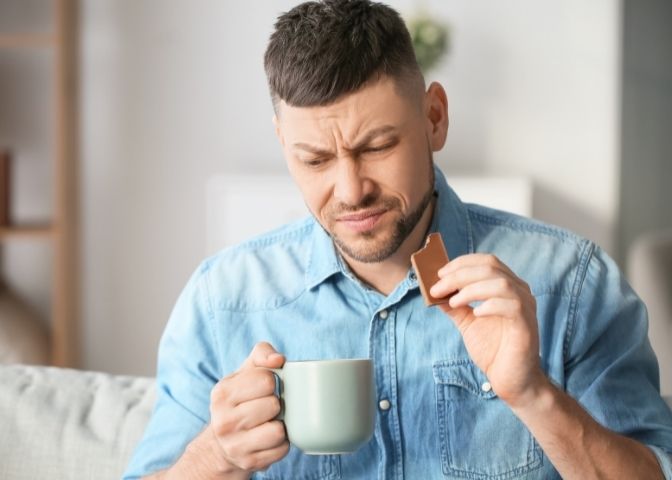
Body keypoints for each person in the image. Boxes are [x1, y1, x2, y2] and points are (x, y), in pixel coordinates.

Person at [124, 1, 672, 478]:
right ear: (283, 144)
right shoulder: (224, 300)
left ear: (434, 117)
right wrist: (216, 457)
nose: (350, 190)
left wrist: (534, 395)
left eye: (378, 146)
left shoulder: (573, 284)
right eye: (314, 159)